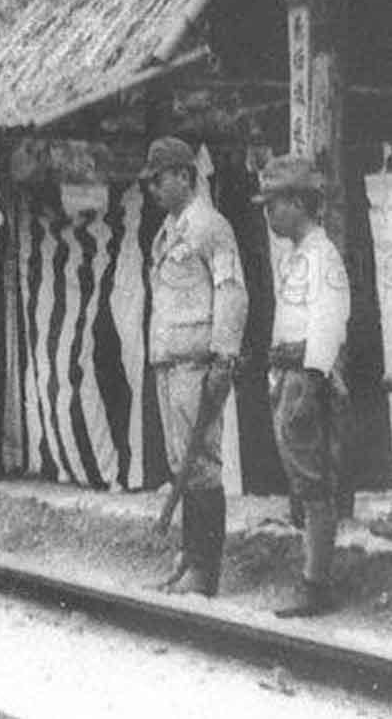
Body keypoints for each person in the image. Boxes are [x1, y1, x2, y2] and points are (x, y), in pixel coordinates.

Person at [142, 136, 249, 596]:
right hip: (169, 362)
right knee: (178, 462)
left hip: (198, 363)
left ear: (185, 176)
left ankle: (205, 570)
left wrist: (225, 356)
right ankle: (189, 560)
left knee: (200, 463)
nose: (153, 189)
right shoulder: (166, 232)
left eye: (159, 178)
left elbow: (231, 292)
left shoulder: (211, 228)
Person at [253, 154, 350, 617]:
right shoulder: (299, 256)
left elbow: (328, 326)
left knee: (314, 487)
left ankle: (317, 585)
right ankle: (313, 577)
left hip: (307, 376)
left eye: (274, 203)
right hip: (289, 375)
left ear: (297, 202)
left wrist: (310, 385)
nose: (268, 214)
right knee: (304, 482)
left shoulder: (321, 255)